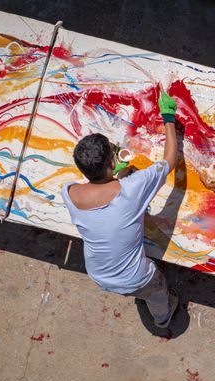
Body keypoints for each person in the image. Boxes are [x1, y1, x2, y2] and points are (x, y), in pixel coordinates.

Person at [61, 89, 180, 328]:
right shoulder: (130, 189)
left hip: (98, 274)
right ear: (113, 163)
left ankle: (145, 300)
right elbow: (169, 160)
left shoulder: (69, 192)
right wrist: (168, 119)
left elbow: (99, 194)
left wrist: (111, 174)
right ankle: (163, 318)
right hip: (137, 278)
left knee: (135, 285)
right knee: (157, 292)